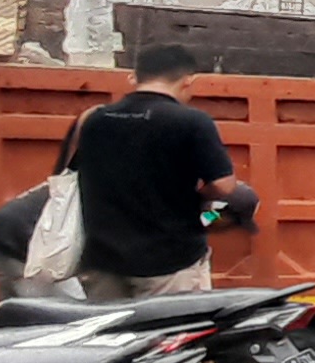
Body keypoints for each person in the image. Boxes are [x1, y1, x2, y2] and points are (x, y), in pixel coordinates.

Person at [72, 44, 240, 300]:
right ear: (188, 81)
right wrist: (200, 197)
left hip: (103, 260)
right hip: (168, 260)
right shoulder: (192, 122)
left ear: (135, 77)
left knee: (111, 326)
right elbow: (224, 186)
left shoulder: (95, 119)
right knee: (174, 325)